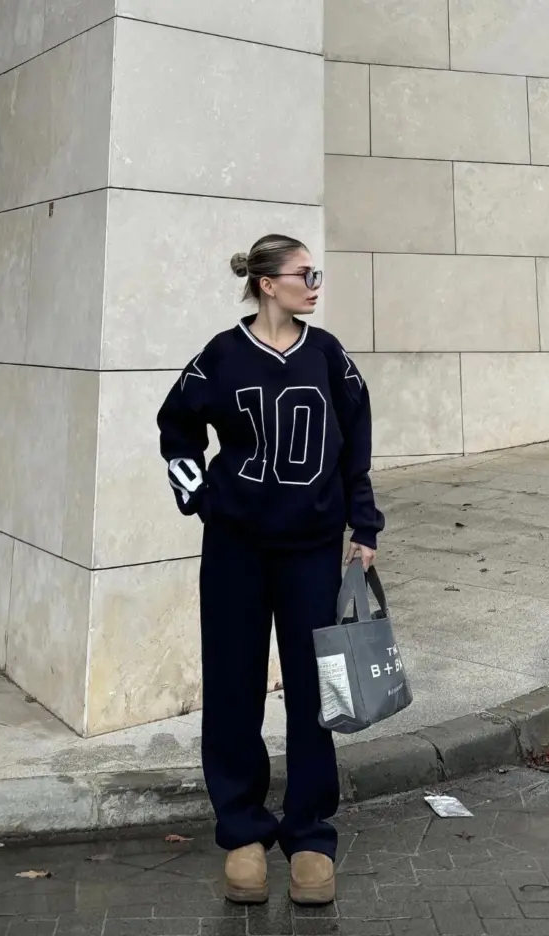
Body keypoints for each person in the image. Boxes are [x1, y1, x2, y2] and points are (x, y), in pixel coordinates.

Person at [157, 234, 384, 906]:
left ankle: (310, 836)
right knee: (234, 687)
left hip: (312, 550)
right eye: (304, 274)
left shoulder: (329, 356)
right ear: (267, 284)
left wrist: (364, 525)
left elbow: (356, 442)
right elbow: (175, 428)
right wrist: (201, 497)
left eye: (317, 274)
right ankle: (244, 833)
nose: (314, 285)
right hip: (236, 550)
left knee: (316, 691)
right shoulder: (221, 357)